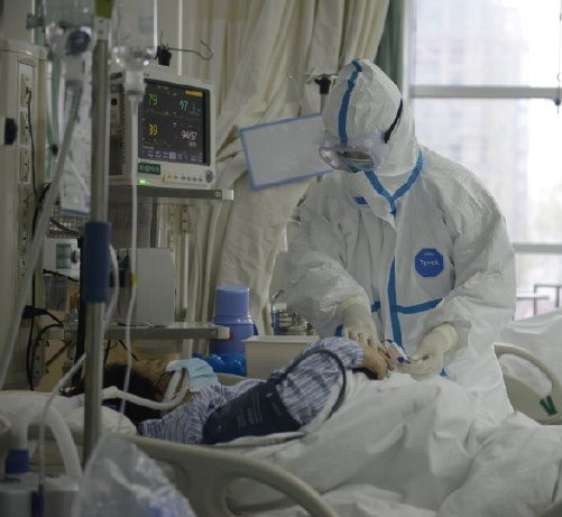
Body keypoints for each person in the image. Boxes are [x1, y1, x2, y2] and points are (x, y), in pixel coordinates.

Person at [283, 59, 516, 420]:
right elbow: (310, 262)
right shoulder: (329, 199)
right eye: (342, 157)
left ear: (396, 134)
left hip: (464, 393)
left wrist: (446, 336)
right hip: (369, 393)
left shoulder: (455, 195)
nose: (355, 170)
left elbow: (491, 281)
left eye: (362, 155)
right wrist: (349, 307)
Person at [98, 337, 392, 444]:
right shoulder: (194, 421)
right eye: (154, 364)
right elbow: (289, 401)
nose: (174, 358)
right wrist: (350, 351)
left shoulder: (216, 399)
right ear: (155, 392)